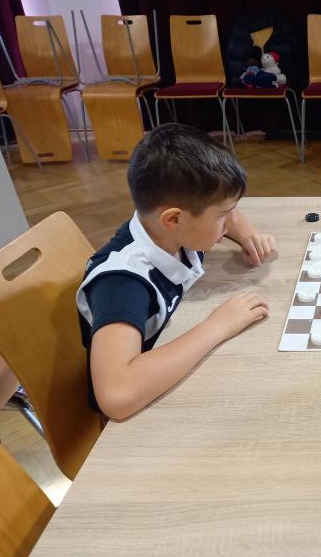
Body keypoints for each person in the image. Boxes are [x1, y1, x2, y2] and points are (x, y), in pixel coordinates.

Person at [76, 123, 275, 420]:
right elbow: (117, 395)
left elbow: (224, 212)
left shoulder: (168, 229)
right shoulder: (122, 284)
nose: (229, 221)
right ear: (173, 219)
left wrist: (246, 233)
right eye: (222, 217)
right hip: (145, 413)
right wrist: (216, 327)